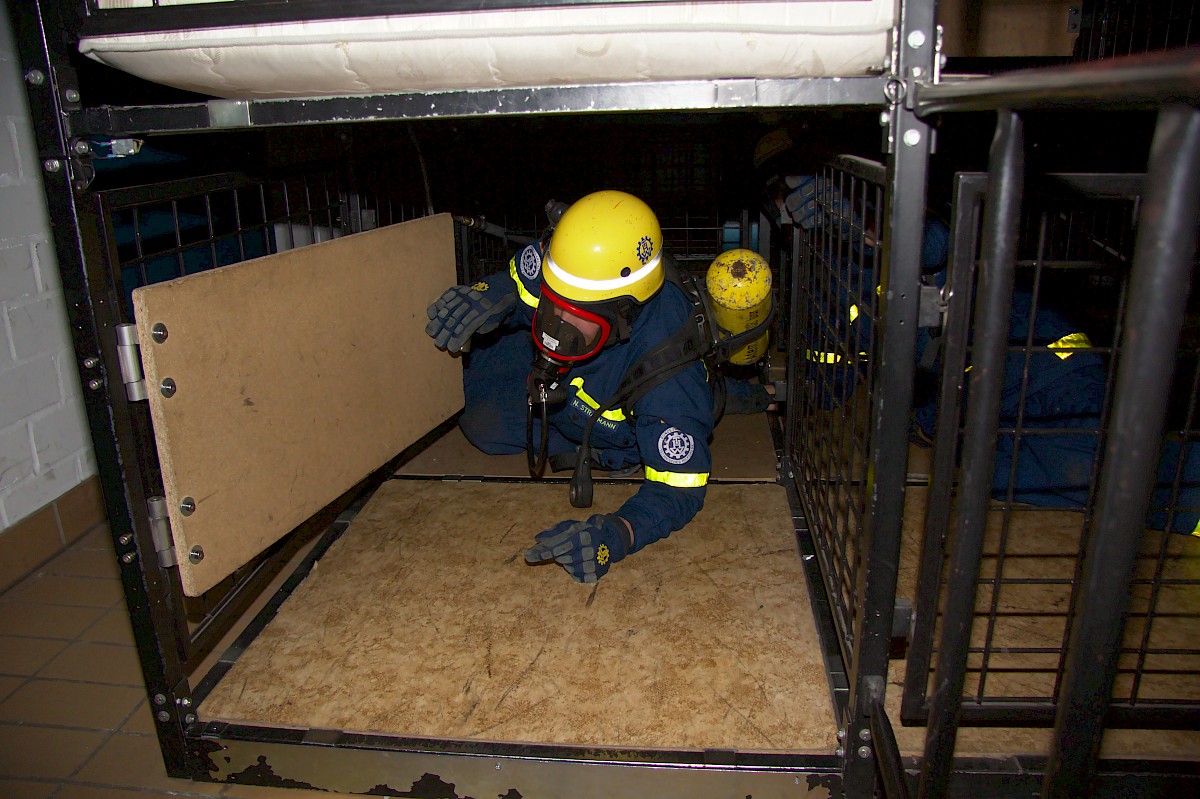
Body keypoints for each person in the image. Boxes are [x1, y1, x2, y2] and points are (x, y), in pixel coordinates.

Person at [425, 190, 715, 583]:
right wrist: (490, 295)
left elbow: (680, 490)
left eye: (574, 314)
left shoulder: (669, 376)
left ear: (623, 312)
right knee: (475, 411)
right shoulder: (571, 256)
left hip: (612, 405)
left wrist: (617, 534)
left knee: (487, 427)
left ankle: (746, 399)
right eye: (553, 302)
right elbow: (520, 279)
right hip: (574, 371)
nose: (555, 326)